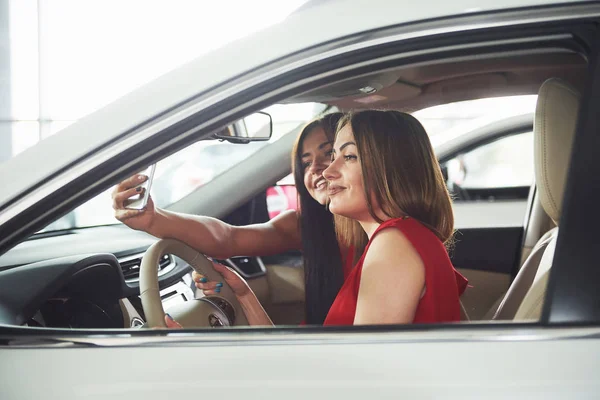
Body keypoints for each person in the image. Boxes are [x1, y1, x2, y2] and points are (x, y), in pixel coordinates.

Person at [188, 110, 467, 327]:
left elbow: (362, 377)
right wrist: (244, 296)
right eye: (334, 155)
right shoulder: (407, 238)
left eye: (349, 157)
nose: (328, 171)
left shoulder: (393, 243)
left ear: (390, 167)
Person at [112, 112, 353, 325]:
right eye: (306, 162)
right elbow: (229, 237)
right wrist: (153, 219)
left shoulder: (385, 238)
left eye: (329, 153)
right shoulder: (306, 225)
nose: (315, 169)